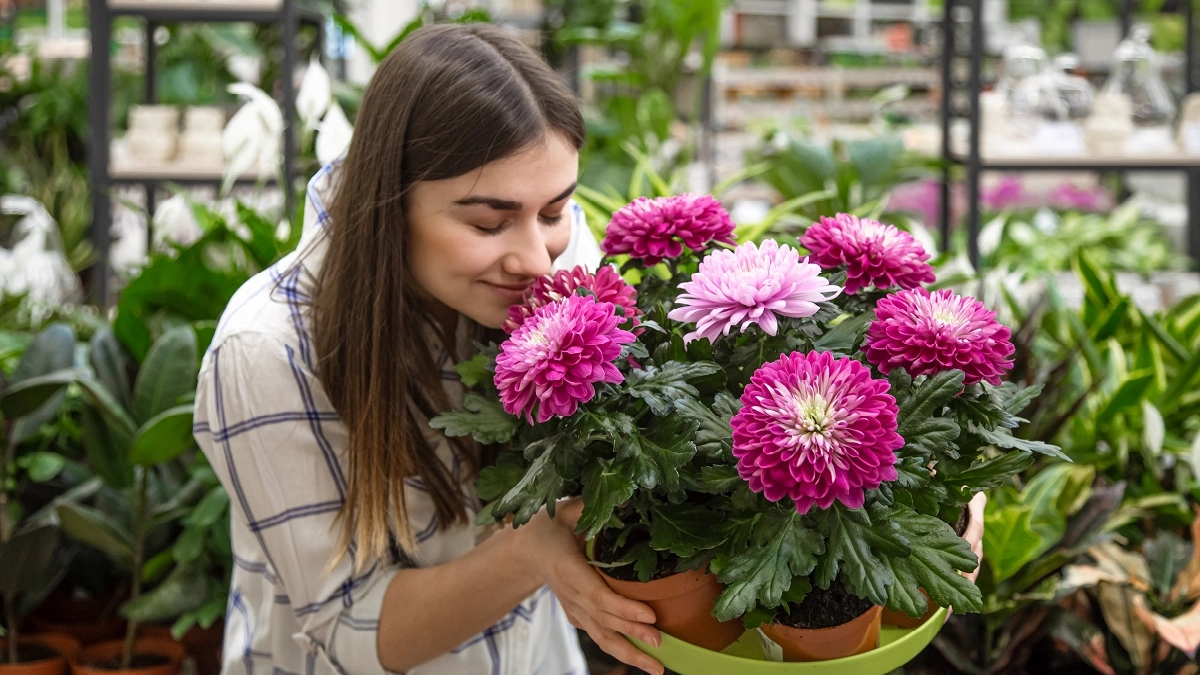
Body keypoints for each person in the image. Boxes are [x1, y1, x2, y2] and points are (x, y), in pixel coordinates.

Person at [193, 23, 665, 675]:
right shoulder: (267, 350)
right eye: (487, 222)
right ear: (388, 203)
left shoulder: (546, 258)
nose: (536, 257)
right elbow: (348, 625)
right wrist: (530, 552)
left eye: (556, 210)